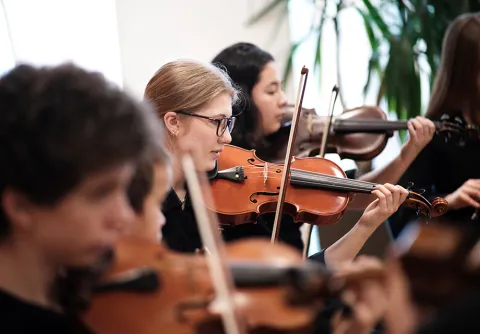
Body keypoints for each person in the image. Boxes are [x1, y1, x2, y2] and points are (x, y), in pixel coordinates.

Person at [144, 59, 408, 270]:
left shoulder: (210, 196)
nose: (227, 137)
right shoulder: (142, 208)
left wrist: (364, 226)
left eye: (229, 123)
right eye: (217, 122)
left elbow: (288, 282)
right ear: (174, 122)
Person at [0, 63, 164, 333]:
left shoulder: (75, 296)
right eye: (100, 194)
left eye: (123, 190)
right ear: (21, 207)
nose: (123, 216)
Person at [388, 13, 480, 238]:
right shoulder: (435, 134)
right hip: (457, 258)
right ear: (465, 74)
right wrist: (449, 201)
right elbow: (401, 218)